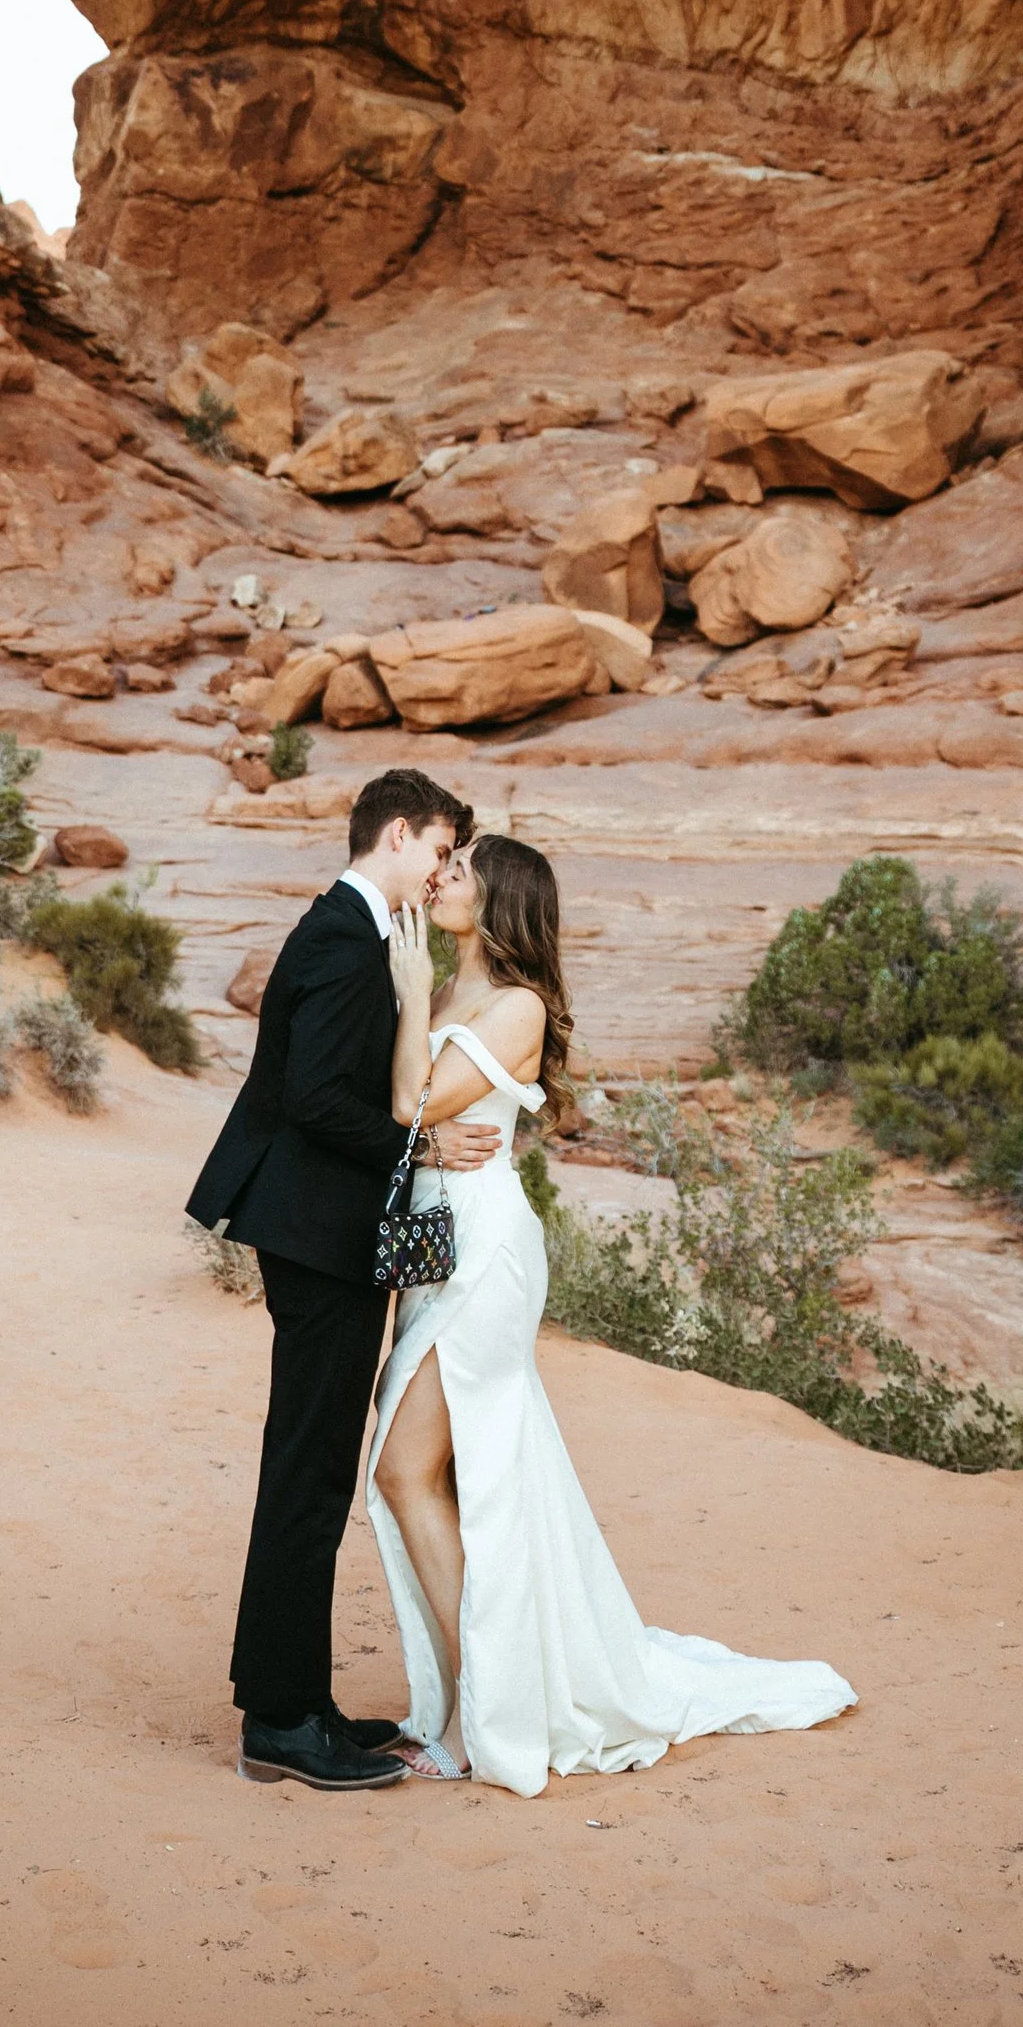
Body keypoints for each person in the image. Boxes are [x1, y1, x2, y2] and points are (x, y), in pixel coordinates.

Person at [367, 831, 856, 1796]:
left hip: (486, 1256)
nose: (441, 877)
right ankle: (490, 1699)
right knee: (457, 1481)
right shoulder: (462, 994)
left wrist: (413, 997)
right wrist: (422, 1124)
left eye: (458, 870)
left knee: (403, 1470)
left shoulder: (516, 1007)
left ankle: (482, 1721)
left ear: (498, 899)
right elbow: (414, 1130)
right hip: (433, 1247)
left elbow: (409, 1099)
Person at [186, 764, 494, 1793]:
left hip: (322, 1233)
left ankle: (297, 1701)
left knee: (312, 1470)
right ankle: (278, 1720)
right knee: (307, 1475)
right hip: (317, 1237)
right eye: (441, 849)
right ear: (397, 835)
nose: (445, 867)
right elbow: (317, 1098)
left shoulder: (356, 934)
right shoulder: (342, 940)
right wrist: (418, 1156)